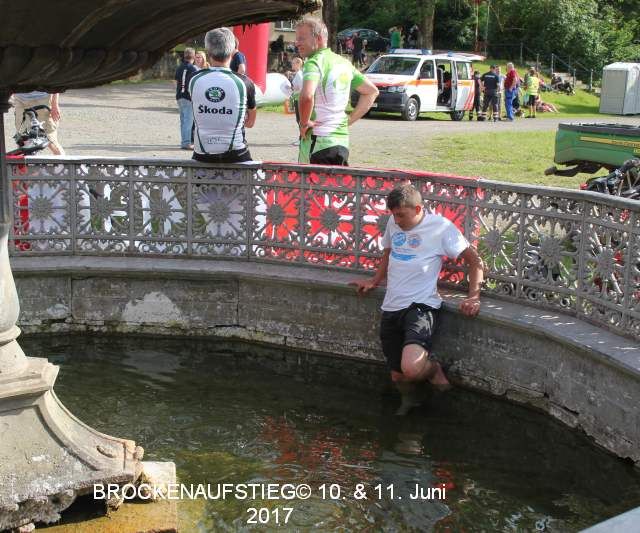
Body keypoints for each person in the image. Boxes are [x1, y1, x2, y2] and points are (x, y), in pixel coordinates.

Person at [350, 183, 483, 415]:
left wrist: (474, 297)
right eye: (393, 215)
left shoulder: (440, 227)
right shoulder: (394, 222)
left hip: (421, 306)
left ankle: (433, 371)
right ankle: (410, 402)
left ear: (418, 208)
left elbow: (475, 261)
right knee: (397, 374)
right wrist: (374, 281)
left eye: (401, 215)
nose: (397, 221)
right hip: (392, 306)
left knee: (411, 369)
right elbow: (388, 253)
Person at [295, 17, 378, 166]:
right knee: (336, 189)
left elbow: (307, 96)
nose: (297, 43)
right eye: (297, 38)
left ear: (318, 38)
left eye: (302, 38)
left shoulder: (314, 62)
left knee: (310, 189)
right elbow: (371, 92)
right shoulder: (343, 63)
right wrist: (349, 120)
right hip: (341, 143)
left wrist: (304, 123)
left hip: (318, 141)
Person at [188, 27, 257, 163]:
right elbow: (250, 123)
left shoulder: (194, 80)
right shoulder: (245, 82)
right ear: (233, 52)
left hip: (202, 156)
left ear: (208, 52)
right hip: (236, 155)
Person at [174, 47, 197, 150]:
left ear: (184, 56)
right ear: (194, 57)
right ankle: (186, 142)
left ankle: (184, 140)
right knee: (188, 120)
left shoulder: (179, 67)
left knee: (183, 120)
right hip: (188, 97)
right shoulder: (193, 69)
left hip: (179, 96)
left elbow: (175, 82)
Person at [284, 57, 304, 144]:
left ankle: (302, 139)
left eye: (293, 63)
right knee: (299, 119)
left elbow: (301, 87)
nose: (292, 65)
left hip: (299, 99)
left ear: (298, 64)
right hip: (297, 98)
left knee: (300, 119)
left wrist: (291, 88)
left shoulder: (299, 74)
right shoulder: (298, 73)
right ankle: (302, 138)